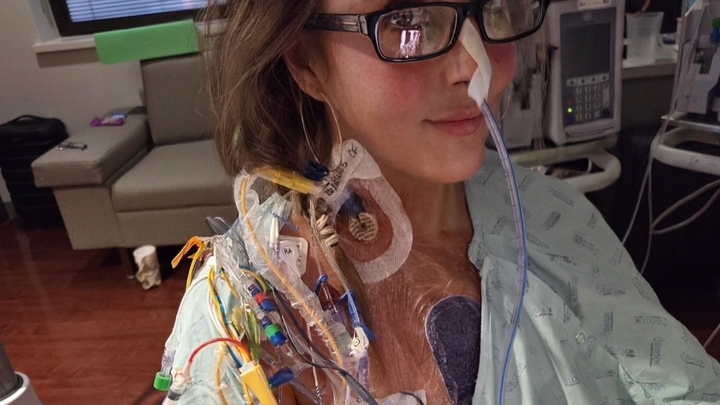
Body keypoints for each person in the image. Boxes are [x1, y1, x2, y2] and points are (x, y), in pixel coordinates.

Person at [161, 0, 720, 404]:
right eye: (408, 20)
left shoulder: (555, 222)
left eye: (493, 6)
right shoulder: (240, 309)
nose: (477, 69)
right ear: (305, 60)